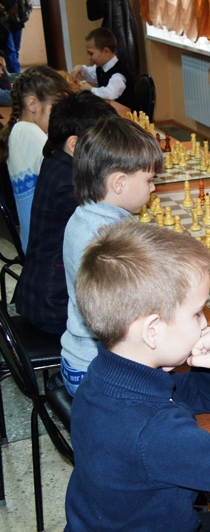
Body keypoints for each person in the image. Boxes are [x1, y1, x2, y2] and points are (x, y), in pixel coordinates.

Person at [64, 222, 210, 530]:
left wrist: (207, 361)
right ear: (152, 330)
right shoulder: (154, 432)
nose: (205, 322)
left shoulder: (106, 375)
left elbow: (208, 398)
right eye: (197, 313)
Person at [60, 116, 162, 395]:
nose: (153, 188)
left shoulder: (84, 216)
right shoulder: (109, 238)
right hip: (98, 374)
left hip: (77, 359)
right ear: (119, 183)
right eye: (149, 180)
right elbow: (131, 311)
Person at [14, 92, 116, 335]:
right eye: (104, 142)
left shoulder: (57, 160)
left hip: (45, 292)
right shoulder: (68, 185)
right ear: (74, 144)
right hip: (55, 306)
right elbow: (109, 229)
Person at [0, 65, 71, 253]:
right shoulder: (27, 132)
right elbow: (67, 173)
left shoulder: (20, 129)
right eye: (56, 108)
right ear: (32, 105)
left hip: (37, 238)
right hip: (44, 245)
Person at [70, 27, 135, 110]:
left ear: (106, 51)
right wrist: (81, 68)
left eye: (91, 53)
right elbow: (91, 74)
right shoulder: (102, 67)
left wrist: (91, 89)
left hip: (123, 114)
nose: (89, 57)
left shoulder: (118, 74)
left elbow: (110, 94)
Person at [0, 0, 32, 74]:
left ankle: (14, 73)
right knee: (10, 49)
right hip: (4, 24)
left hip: (17, 23)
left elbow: (28, 5)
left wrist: (25, 15)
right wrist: (5, 14)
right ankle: (15, 73)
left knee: (15, 50)